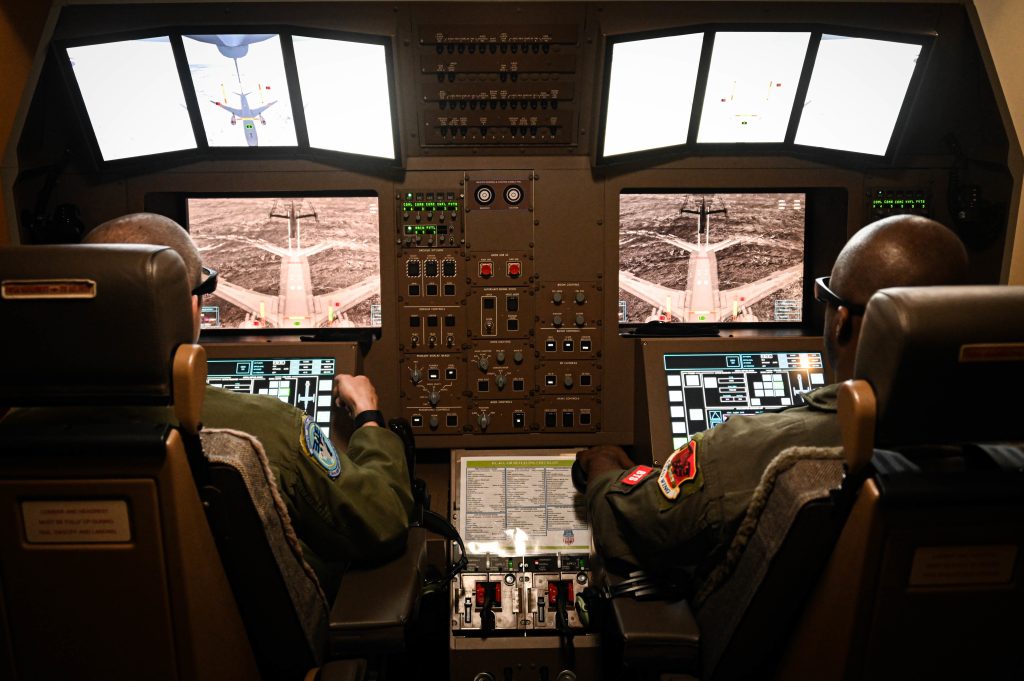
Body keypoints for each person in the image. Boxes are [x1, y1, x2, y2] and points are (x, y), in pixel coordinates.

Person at [576, 214, 970, 584]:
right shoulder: (1000, 446)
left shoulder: (747, 453)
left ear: (842, 322)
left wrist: (603, 464)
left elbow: (628, 524)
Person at [83, 212, 413, 598]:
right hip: (256, 658)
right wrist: (369, 418)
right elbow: (382, 522)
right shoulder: (266, 430)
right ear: (189, 307)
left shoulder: (18, 429)